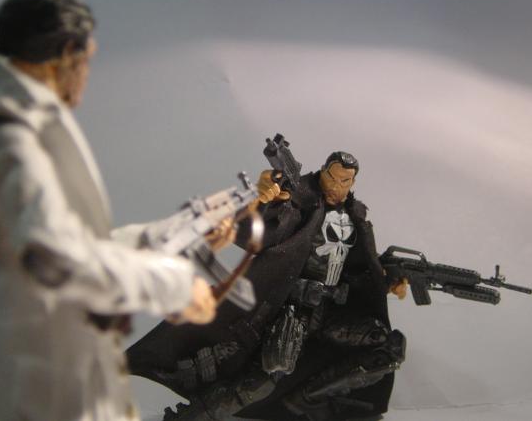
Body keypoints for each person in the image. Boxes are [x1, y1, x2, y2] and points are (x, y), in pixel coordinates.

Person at [0, 0, 229, 421]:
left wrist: (169, 235)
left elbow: (75, 243)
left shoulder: (25, 122)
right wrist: (172, 285)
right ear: (66, 53)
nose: (87, 73)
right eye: (88, 58)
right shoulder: (11, 137)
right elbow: (54, 258)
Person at [127, 150, 408, 421]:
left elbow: (362, 266)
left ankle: (308, 398)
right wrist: (264, 200)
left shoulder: (356, 216)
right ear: (322, 173)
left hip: (331, 313)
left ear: (353, 182)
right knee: (263, 379)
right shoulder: (302, 206)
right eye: (331, 178)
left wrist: (388, 280)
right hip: (296, 311)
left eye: (344, 181)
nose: (336, 186)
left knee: (387, 345)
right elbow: (260, 233)